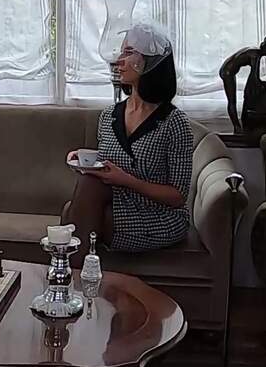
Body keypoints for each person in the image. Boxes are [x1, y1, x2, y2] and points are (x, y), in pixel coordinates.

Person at [65, 24, 193, 266]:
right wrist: (84, 160)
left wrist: (126, 180)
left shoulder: (174, 123)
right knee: (85, 192)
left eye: (128, 52)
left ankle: (70, 278)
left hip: (158, 215)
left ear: (149, 63)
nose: (118, 61)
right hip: (117, 203)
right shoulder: (108, 116)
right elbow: (110, 163)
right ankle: (79, 278)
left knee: (74, 217)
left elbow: (178, 196)